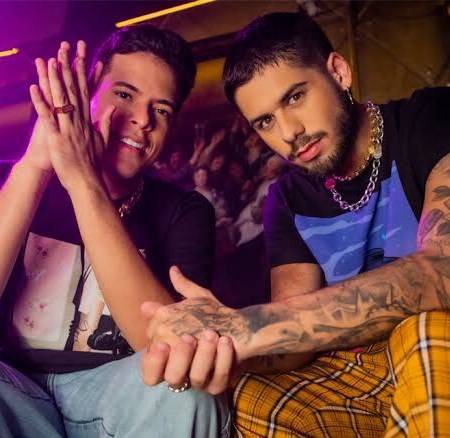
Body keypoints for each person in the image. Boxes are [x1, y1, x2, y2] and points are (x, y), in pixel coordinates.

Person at [140, 11, 450, 437]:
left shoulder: (430, 117)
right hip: (361, 373)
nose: (289, 132)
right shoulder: (286, 197)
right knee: (247, 395)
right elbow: (291, 342)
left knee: (424, 332)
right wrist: (214, 338)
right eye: (265, 121)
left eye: (295, 97)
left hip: (435, 342)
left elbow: (443, 270)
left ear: (338, 71)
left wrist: (248, 326)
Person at [0, 25, 231, 437]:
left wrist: (83, 180)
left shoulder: (185, 211)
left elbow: (166, 344)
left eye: (161, 110)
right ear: (87, 92)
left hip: (113, 392)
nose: (142, 120)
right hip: (14, 389)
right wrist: (36, 165)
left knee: (188, 390)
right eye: (124, 95)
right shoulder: (14, 179)